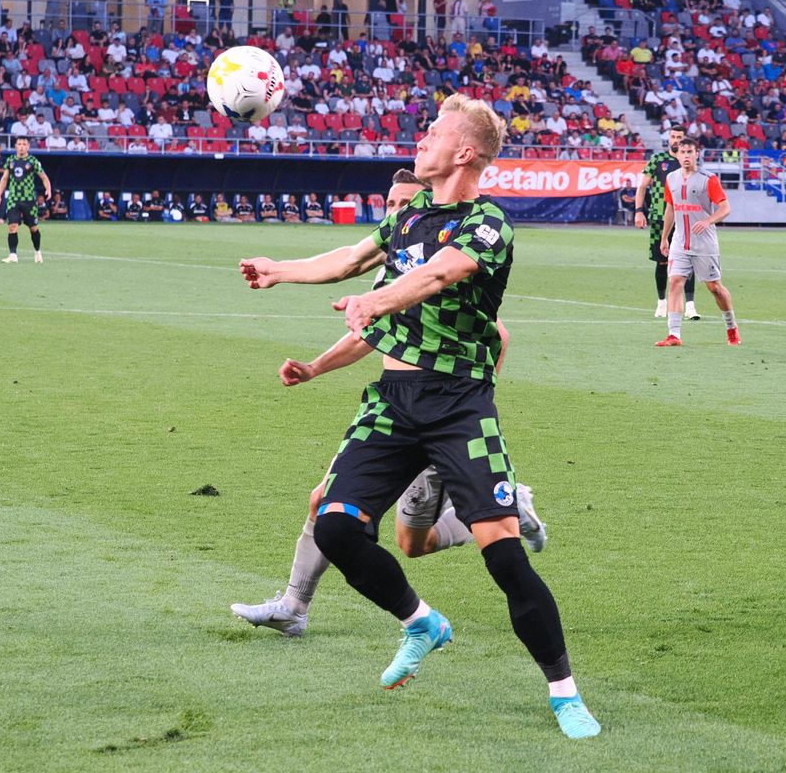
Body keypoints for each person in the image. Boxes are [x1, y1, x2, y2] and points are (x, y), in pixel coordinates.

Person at [237, 95, 600, 739]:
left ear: (464, 153)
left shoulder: (487, 224)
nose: (422, 139)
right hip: (392, 405)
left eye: (434, 132)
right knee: (337, 528)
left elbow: (438, 275)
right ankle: (420, 622)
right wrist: (278, 270)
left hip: (459, 405)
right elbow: (347, 259)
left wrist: (376, 300)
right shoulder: (410, 217)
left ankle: (564, 694)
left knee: (507, 562)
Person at [231, 168, 548, 640]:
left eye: (406, 204)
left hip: (447, 414)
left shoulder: (445, 259)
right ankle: (295, 606)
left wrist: (470, 404)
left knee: (400, 538)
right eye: (391, 205)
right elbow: (371, 328)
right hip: (398, 407)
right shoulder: (397, 263)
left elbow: (498, 335)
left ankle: (507, 512)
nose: (397, 214)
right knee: (356, 517)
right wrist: (314, 364)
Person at [655, 139, 739, 347]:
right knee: (675, 282)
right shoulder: (671, 178)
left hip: (704, 244)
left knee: (714, 288)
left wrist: (708, 220)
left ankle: (731, 327)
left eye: (689, 152)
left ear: (696, 154)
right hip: (679, 242)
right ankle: (674, 335)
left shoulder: (708, 179)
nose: (685, 155)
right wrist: (665, 237)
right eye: (682, 152)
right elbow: (670, 209)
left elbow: (725, 207)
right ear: (677, 154)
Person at [634, 126, 698, 319]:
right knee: (661, 261)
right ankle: (662, 303)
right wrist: (639, 212)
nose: (676, 140)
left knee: (688, 261)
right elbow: (643, 186)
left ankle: (690, 306)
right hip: (659, 217)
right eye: (673, 136)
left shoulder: (688, 162)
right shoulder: (658, 160)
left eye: (679, 137)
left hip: (684, 218)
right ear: (668, 138)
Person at [0, 136, 52, 264]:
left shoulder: (33, 161)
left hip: (29, 200)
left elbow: (44, 177)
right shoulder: (10, 160)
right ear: (15, 146)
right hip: (13, 199)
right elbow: (4, 179)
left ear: (28, 146)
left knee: (33, 228)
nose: (21, 146)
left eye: (24, 144)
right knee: (12, 226)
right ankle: (13, 255)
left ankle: (37, 251)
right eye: (19, 144)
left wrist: (48, 189)